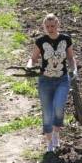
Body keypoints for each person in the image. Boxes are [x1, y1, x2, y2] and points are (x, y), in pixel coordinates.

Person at [30, 14, 77, 153]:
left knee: (58, 106)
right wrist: (29, 67)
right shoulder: (40, 41)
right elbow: (33, 59)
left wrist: (74, 69)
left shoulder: (65, 39)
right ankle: (49, 142)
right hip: (45, 81)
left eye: (53, 26)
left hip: (62, 79)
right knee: (47, 112)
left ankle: (56, 133)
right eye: (47, 26)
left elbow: (70, 57)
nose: (50, 29)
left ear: (58, 25)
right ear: (44, 27)